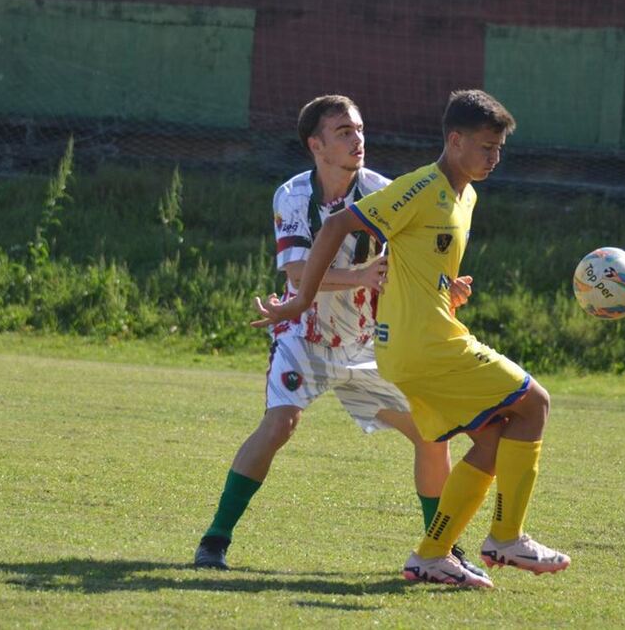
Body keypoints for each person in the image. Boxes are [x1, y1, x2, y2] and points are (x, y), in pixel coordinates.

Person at [253, 89, 571, 589]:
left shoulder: (466, 195)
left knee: (490, 440)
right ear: (455, 140)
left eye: (500, 149)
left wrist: (447, 289)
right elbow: (337, 223)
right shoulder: (422, 186)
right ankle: (506, 537)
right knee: (535, 404)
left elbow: (413, 262)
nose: (494, 157)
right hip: (424, 347)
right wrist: (298, 301)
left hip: (423, 341)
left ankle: (432, 554)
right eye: (486, 146)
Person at [194, 95, 484, 577]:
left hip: (369, 343)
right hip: (304, 335)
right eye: (344, 132)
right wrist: (362, 276)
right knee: (279, 425)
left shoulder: (386, 190)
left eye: (360, 129)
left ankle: (441, 550)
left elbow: (411, 263)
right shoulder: (292, 195)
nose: (358, 140)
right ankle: (214, 541)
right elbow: (295, 273)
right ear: (316, 144)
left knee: (432, 433)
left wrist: (443, 287)